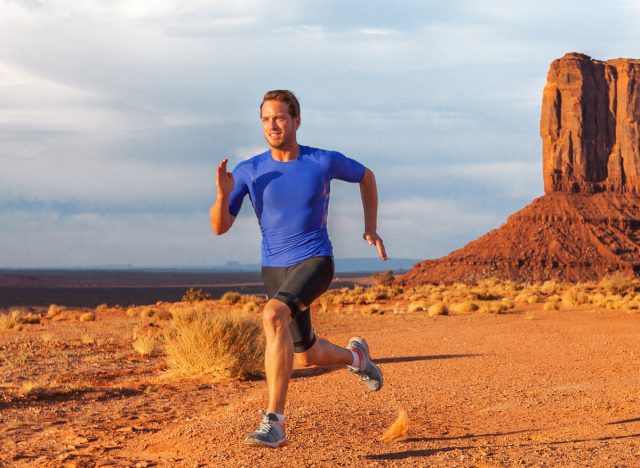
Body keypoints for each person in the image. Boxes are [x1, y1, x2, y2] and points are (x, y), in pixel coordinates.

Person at [210, 90, 387, 448]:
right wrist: (221, 194)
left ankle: (274, 421)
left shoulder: (322, 161)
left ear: (296, 121)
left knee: (274, 314)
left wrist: (371, 226)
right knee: (305, 354)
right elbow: (220, 227)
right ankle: (358, 358)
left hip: (316, 259)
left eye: (279, 117)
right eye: (265, 119)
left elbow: (367, 177)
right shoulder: (250, 170)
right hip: (274, 267)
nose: (272, 125)